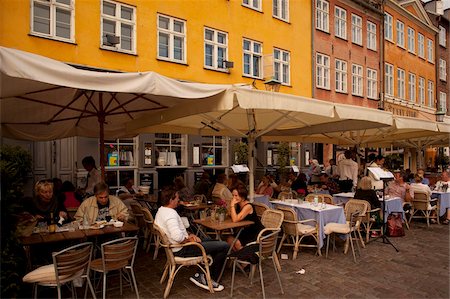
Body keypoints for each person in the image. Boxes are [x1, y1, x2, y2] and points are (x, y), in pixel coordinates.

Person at [154, 188, 228, 292]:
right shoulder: (170, 215)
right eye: (177, 199)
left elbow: (176, 233)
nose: (179, 201)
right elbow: (177, 237)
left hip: (176, 248)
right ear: (171, 200)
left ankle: (201, 273)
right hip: (182, 250)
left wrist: (190, 235)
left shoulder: (161, 211)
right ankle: (207, 279)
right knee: (224, 246)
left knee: (209, 240)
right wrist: (190, 241)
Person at [228, 186, 264, 251]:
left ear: (242, 197)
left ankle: (248, 256)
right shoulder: (238, 205)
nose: (233, 198)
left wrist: (232, 205)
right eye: (233, 195)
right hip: (245, 230)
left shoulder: (248, 206)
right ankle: (239, 256)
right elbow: (230, 215)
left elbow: (235, 219)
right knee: (229, 239)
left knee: (236, 242)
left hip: (254, 232)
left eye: (236, 196)